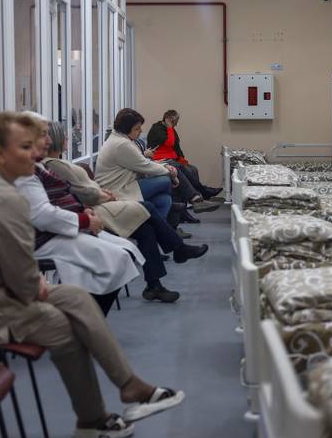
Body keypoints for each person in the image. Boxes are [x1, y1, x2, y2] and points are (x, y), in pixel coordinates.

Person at [0, 100, 183, 438]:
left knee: (76, 298)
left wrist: (35, 284)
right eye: (25, 147)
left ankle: (128, 387)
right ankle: (93, 418)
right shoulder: (3, 196)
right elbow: (23, 280)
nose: (36, 154)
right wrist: (35, 284)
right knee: (63, 325)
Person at [41, 119, 209, 303]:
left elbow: (84, 189)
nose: (68, 137)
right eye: (64, 136)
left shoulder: (59, 163)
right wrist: (105, 195)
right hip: (99, 208)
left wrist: (102, 193)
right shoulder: (54, 165)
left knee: (147, 225)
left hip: (103, 202)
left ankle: (156, 283)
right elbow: (83, 193)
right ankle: (176, 249)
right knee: (149, 207)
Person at [15, 114, 146, 315]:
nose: (49, 141)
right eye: (43, 135)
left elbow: (58, 199)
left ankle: (88, 316)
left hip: (63, 226)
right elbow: (42, 213)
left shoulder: (37, 166)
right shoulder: (25, 172)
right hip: (44, 237)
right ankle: (88, 316)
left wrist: (80, 211)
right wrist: (83, 219)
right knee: (117, 258)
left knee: (124, 253)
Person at [94, 108, 178, 218]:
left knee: (164, 200)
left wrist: (166, 167)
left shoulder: (119, 138)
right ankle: (170, 220)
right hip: (117, 190)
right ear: (126, 130)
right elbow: (145, 165)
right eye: (137, 128)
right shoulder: (122, 144)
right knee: (166, 181)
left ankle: (161, 229)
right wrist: (170, 173)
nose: (141, 131)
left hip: (124, 186)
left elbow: (142, 163)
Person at [147, 110, 223, 201]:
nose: (176, 124)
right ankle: (199, 193)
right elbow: (169, 143)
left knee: (193, 169)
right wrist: (170, 127)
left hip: (172, 158)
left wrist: (181, 158)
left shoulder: (170, 129)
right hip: (162, 159)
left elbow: (176, 146)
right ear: (169, 120)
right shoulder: (157, 128)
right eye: (175, 121)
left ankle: (200, 193)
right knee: (183, 169)